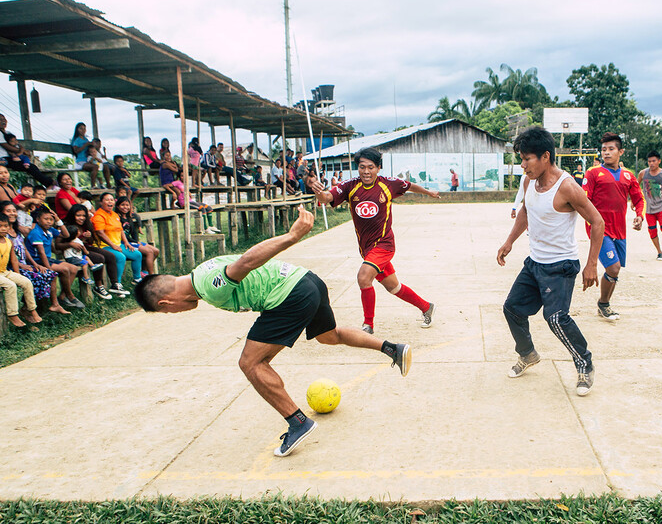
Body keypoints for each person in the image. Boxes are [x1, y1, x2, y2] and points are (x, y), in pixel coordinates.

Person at [134, 206, 412, 457]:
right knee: (329, 335)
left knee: (250, 362)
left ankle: (297, 422)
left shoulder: (208, 286)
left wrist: (291, 237)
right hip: (308, 281)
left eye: (167, 312)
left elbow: (245, 262)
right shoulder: (200, 271)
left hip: (289, 295)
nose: (174, 314)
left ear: (165, 303)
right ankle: (392, 349)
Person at [498, 128, 605, 395]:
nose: (523, 165)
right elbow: (525, 211)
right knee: (512, 308)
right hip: (535, 263)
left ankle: (585, 364)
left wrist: (592, 264)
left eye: (527, 159)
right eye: (521, 159)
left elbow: (597, 221)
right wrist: (509, 241)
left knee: (556, 318)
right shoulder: (528, 182)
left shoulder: (567, 187)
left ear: (546, 156)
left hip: (561, 265)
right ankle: (528, 354)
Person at [307, 146, 438, 334]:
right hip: (366, 249)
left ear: (378, 168)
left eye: (371, 167)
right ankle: (426, 307)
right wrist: (320, 193)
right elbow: (327, 197)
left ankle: (368, 325)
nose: (366, 172)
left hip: (384, 245)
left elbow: (409, 185)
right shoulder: (350, 186)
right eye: (362, 167)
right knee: (394, 287)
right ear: (357, 168)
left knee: (363, 277)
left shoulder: (388, 184)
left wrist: (429, 193)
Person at [583, 132, 645, 321]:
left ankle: (604, 304)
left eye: (611, 149)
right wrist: (591, 222)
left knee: (615, 270)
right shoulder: (593, 173)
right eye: (604, 150)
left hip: (619, 230)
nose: (607, 153)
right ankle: (604, 304)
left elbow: (638, 198)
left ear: (621, 152)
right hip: (599, 229)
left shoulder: (628, 176)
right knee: (614, 267)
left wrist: (640, 216)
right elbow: (584, 200)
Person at [0, 201, 65, 312]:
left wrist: (35, 265)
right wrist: (22, 266)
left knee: (50, 274)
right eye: (8, 211)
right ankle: (28, 309)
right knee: (36, 277)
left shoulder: (16, 230)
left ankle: (51, 305)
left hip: (25, 264)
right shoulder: (3, 233)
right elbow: (7, 258)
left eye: (14, 211)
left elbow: (24, 249)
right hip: (12, 267)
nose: (12, 213)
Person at [26, 207, 84, 309]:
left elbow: (66, 235)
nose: (49, 222)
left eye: (51, 220)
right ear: (38, 220)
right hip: (37, 260)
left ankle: (63, 296)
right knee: (65, 270)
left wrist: (58, 220)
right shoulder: (36, 233)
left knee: (74, 269)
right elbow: (41, 252)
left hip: (47, 259)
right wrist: (49, 269)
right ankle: (70, 296)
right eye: (46, 219)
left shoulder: (50, 230)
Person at [63, 204, 117, 299]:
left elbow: (91, 242)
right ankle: (99, 286)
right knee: (99, 258)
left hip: (85, 248)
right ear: (72, 215)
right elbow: (59, 245)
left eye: (84, 216)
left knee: (110, 256)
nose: (81, 218)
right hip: (74, 253)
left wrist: (88, 236)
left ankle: (115, 284)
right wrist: (70, 244)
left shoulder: (86, 225)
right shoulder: (67, 227)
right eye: (78, 215)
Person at [92, 192, 142, 291]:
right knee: (120, 257)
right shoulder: (98, 215)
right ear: (101, 202)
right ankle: (117, 284)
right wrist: (113, 246)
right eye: (107, 200)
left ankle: (137, 279)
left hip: (117, 244)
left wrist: (126, 243)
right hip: (104, 246)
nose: (109, 202)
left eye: (111, 200)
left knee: (137, 254)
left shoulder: (114, 214)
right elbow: (100, 233)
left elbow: (120, 230)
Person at [0, 214, 43, 327]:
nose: (3, 229)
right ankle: (12, 314)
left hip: (4, 272)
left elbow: (13, 259)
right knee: (10, 286)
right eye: (0, 226)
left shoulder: (8, 242)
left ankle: (32, 309)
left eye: (6, 226)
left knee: (26, 282)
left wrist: (18, 275)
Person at [0, 113, 53, 187]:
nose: (3, 121)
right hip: (3, 158)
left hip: (13, 157)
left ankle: (48, 183)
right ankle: (50, 183)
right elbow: (7, 147)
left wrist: (22, 151)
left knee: (31, 166)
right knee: (30, 167)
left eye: (4, 119)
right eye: (0, 120)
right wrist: (22, 151)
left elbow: (18, 144)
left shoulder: (8, 133)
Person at [115, 197, 159, 276]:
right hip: (124, 242)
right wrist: (135, 242)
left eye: (127, 205)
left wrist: (137, 241)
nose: (125, 207)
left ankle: (144, 272)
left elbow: (133, 232)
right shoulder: (117, 218)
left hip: (132, 241)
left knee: (156, 251)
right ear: (117, 206)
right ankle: (151, 276)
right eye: (122, 205)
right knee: (149, 252)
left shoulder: (128, 217)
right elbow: (121, 235)